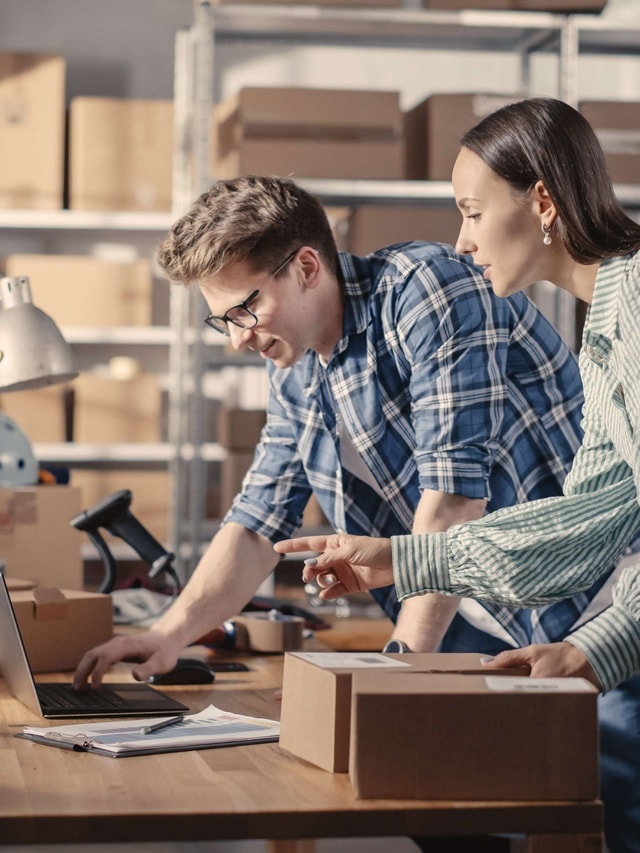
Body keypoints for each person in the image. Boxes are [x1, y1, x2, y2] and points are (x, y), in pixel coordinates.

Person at [275, 98, 640, 853]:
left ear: (542, 200)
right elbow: (593, 524)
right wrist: (403, 558)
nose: (462, 239)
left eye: (472, 212)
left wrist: (600, 644)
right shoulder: (605, 322)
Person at [72, 173, 587, 679]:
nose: (236, 339)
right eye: (223, 320)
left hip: (584, 610)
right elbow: (256, 526)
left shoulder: (427, 291)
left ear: (306, 267)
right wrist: (167, 635)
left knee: (598, 763)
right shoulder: (296, 374)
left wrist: (393, 673)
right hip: (460, 625)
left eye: (245, 310)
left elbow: (455, 501)